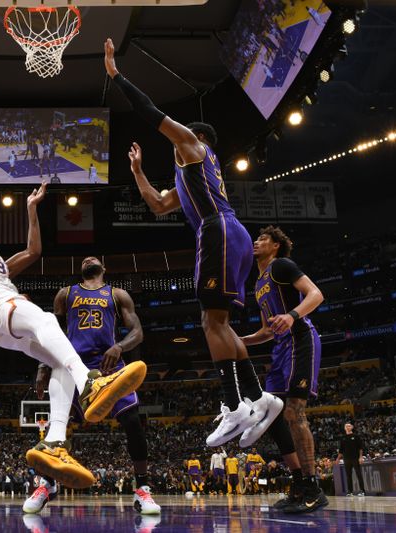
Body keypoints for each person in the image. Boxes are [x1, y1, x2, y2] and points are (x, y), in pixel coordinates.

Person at [103, 37, 282, 448]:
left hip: (217, 230)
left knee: (209, 322)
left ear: (193, 137)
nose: (173, 143)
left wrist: (116, 74)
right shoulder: (188, 177)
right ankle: (259, 398)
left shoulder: (193, 146)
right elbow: (158, 205)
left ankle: (234, 405)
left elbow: (149, 112)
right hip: (227, 231)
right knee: (219, 324)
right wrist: (137, 172)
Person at [0, 121, 147, 492]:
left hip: (0, 318)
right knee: (43, 318)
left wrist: (31, 208)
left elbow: (35, 252)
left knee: (58, 360)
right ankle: (90, 382)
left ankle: (55, 441)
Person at [27, 257, 160, 515]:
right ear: (80, 270)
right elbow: (51, 333)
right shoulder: (65, 294)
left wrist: (120, 346)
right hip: (72, 366)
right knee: (57, 426)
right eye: (86, 259)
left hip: (109, 365)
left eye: (95, 258)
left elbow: (138, 332)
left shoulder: (117, 294)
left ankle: (142, 490)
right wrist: (43, 366)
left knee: (133, 420)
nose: (89, 258)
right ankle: (47, 484)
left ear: (104, 268)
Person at [242, 226, 328, 513]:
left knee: (293, 411)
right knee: (272, 413)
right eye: (256, 239)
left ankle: (313, 487)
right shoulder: (258, 283)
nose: (256, 242)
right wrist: (239, 341)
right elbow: (268, 330)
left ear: (276, 246)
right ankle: (298, 483)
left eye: (263, 239)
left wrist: (292, 315)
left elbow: (316, 295)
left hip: (300, 339)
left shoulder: (282, 265)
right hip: (280, 347)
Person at [338, 422, 366, 496]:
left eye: (349, 426)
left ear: (352, 427)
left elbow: (360, 448)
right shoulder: (343, 438)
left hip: (355, 458)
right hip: (346, 459)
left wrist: (360, 457)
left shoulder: (356, 436)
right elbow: (341, 450)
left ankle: (362, 491)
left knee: (358, 474)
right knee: (348, 475)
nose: (347, 427)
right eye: (346, 426)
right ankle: (350, 491)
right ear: (344, 428)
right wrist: (337, 459)